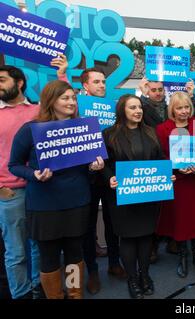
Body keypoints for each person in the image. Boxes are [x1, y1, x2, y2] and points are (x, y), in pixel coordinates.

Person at [8, 80, 105, 299]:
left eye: (73, 97)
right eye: (65, 98)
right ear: (52, 101)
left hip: (77, 202)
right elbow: (13, 165)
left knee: (74, 253)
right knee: (49, 257)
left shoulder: (85, 128)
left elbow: (89, 169)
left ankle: (74, 294)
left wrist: (94, 167)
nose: (71, 102)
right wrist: (33, 175)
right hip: (44, 205)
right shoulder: (30, 130)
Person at [0, 58, 68, 299]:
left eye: (2, 80)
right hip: (11, 192)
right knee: (16, 252)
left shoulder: (37, 111)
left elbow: (63, 105)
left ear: (19, 83)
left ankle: (40, 288)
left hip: (42, 189)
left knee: (40, 246)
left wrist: (62, 74)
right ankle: (21, 294)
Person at [102, 94, 173, 299]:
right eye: (132, 107)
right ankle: (132, 279)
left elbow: (159, 159)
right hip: (122, 196)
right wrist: (110, 178)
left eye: (139, 107)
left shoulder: (151, 132)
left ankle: (145, 275)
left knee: (145, 237)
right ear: (122, 110)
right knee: (128, 238)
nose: (138, 111)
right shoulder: (109, 134)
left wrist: (166, 176)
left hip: (149, 196)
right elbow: (104, 164)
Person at [155, 92, 195, 278]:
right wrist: (175, 168)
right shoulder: (163, 128)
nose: (184, 111)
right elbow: (160, 155)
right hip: (177, 181)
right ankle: (182, 256)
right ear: (172, 109)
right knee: (179, 219)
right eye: (179, 108)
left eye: (187, 107)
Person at [80, 68, 126, 296]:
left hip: (110, 174)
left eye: (104, 81)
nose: (101, 85)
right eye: (96, 82)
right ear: (85, 86)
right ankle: (93, 272)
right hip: (86, 176)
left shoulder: (111, 108)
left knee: (113, 220)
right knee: (88, 227)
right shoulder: (76, 109)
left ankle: (115, 263)